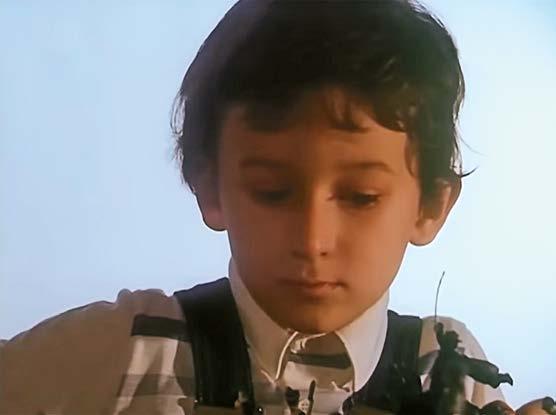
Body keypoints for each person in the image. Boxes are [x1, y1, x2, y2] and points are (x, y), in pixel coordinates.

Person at [0, 1, 546, 414]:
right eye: (271, 191)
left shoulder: (445, 366)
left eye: (361, 196)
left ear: (430, 205)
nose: (312, 240)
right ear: (210, 188)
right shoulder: (133, 350)